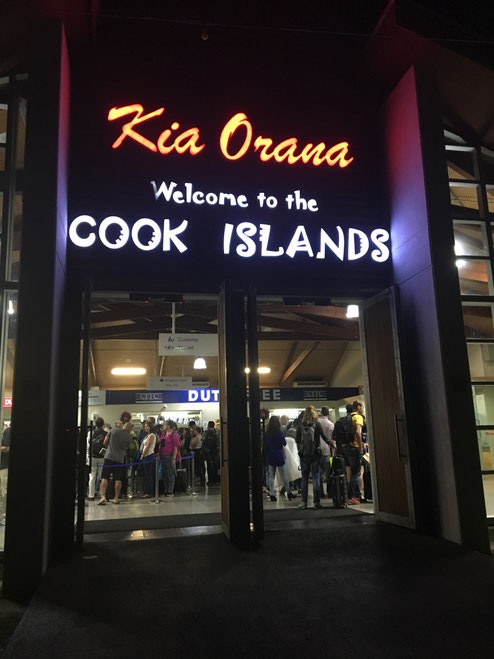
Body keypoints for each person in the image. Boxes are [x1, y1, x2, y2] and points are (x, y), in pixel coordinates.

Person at [295, 406, 330, 510]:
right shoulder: (317, 424)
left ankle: (304, 503)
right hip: (315, 454)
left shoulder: (300, 425)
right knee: (316, 477)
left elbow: (297, 439)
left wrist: (302, 447)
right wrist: (332, 443)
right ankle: (316, 502)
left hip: (304, 455)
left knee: (304, 478)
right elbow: (324, 437)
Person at [98, 422, 132, 505]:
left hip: (109, 456)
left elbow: (105, 442)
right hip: (119, 459)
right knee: (118, 479)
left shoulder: (113, 430)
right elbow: (126, 449)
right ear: (129, 428)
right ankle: (116, 498)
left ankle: (103, 497)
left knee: (104, 477)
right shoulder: (129, 436)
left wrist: (109, 448)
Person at [341, 400, 365, 505]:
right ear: (358, 407)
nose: (363, 409)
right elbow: (358, 432)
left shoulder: (348, 417)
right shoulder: (358, 417)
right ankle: (350, 496)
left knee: (351, 472)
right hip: (354, 447)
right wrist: (360, 447)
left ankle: (356, 495)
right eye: (362, 407)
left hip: (346, 447)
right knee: (356, 473)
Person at [265, 415, 294, 502]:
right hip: (279, 456)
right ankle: (288, 492)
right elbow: (284, 443)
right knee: (284, 475)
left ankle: (272, 494)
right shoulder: (279, 432)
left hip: (270, 455)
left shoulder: (267, 433)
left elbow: (265, 445)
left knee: (271, 476)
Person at [159, 420, 181, 497]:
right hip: (162, 456)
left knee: (170, 473)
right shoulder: (163, 434)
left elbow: (175, 446)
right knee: (164, 473)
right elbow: (161, 444)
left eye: (165, 424)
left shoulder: (174, 435)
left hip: (169, 455)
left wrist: (174, 457)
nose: (163, 426)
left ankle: (170, 490)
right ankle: (166, 488)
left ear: (168, 426)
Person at [87, 417, 106, 500]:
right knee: (102, 476)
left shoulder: (91, 433)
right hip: (102, 457)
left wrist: (88, 457)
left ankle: (91, 495)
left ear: (95, 424)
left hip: (93, 457)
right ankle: (102, 494)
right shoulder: (105, 433)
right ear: (103, 424)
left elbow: (88, 445)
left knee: (92, 476)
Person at [318, 406, 335, 498]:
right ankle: (329, 491)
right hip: (327, 450)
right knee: (328, 472)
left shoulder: (316, 423)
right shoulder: (330, 424)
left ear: (321, 412)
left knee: (319, 473)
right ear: (328, 413)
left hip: (317, 450)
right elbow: (332, 438)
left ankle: (320, 492)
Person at [140, 420, 157, 498]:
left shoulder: (152, 435)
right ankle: (147, 491)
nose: (146, 428)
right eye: (145, 426)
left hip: (149, 456)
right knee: (146, 475)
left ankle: (149, 492)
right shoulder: (147, 435)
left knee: (148, 475)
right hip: (146, 456)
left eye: (147, 426)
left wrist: (142, 455)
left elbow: (147, 446)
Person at [202, 421, 220, 486]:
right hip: (216, 451)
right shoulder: (217, 432)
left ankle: (210, 481)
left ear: (208, 425)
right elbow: (219, 442)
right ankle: (217, 480)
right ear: (214, 425)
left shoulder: (206, 432)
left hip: (208, 452)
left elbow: (202, 441)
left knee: (209, 466)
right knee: (216, 466)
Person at [0, 424, 10, 526]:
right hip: (3, 467)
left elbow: (6, 447)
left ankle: (1, 516)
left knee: (2, 491)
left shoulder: (7, 432)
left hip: (3, 467)